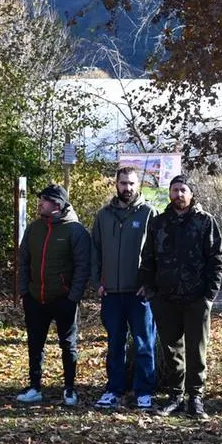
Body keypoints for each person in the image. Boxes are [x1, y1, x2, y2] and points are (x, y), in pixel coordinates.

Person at [139, 174, 222, 420]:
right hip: (165, 298)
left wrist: (209, 295)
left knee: (196, 349)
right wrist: (151, 289)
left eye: (183, 190)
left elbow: (217, 260)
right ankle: (175, 396)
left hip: (196, 298)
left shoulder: (204, 221)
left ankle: (195, 397)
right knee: (171, 350)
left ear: (191, 194)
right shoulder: (159, 223)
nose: (178, 195)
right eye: (175, 190)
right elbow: (147, 258)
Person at [16, 184, 91, 406]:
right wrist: (24, 293)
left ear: (57, 204)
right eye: (40, 199)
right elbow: (23, 261)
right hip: (35, 298)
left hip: (63, 299)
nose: (40, 203)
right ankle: (35, 387)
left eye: (44, 200)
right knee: (34, 343)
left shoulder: (75, 230)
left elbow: (82, 266)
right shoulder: (34, 228)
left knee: (68, 345)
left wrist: (73, 297)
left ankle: (69, 389)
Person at [91, 166, 158, 410]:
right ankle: (114, 390)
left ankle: (144, 392)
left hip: (139, 294)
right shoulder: (103, 216)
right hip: (111, 293)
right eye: (123, 183)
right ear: (116, 184)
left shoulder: (149, 213)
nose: (127, 188)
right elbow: (94, 251)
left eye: (131, 183)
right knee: (115, 344)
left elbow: (157, 253)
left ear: (137, 185)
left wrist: (149, 282)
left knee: (144, 343)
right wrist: (97, 282)